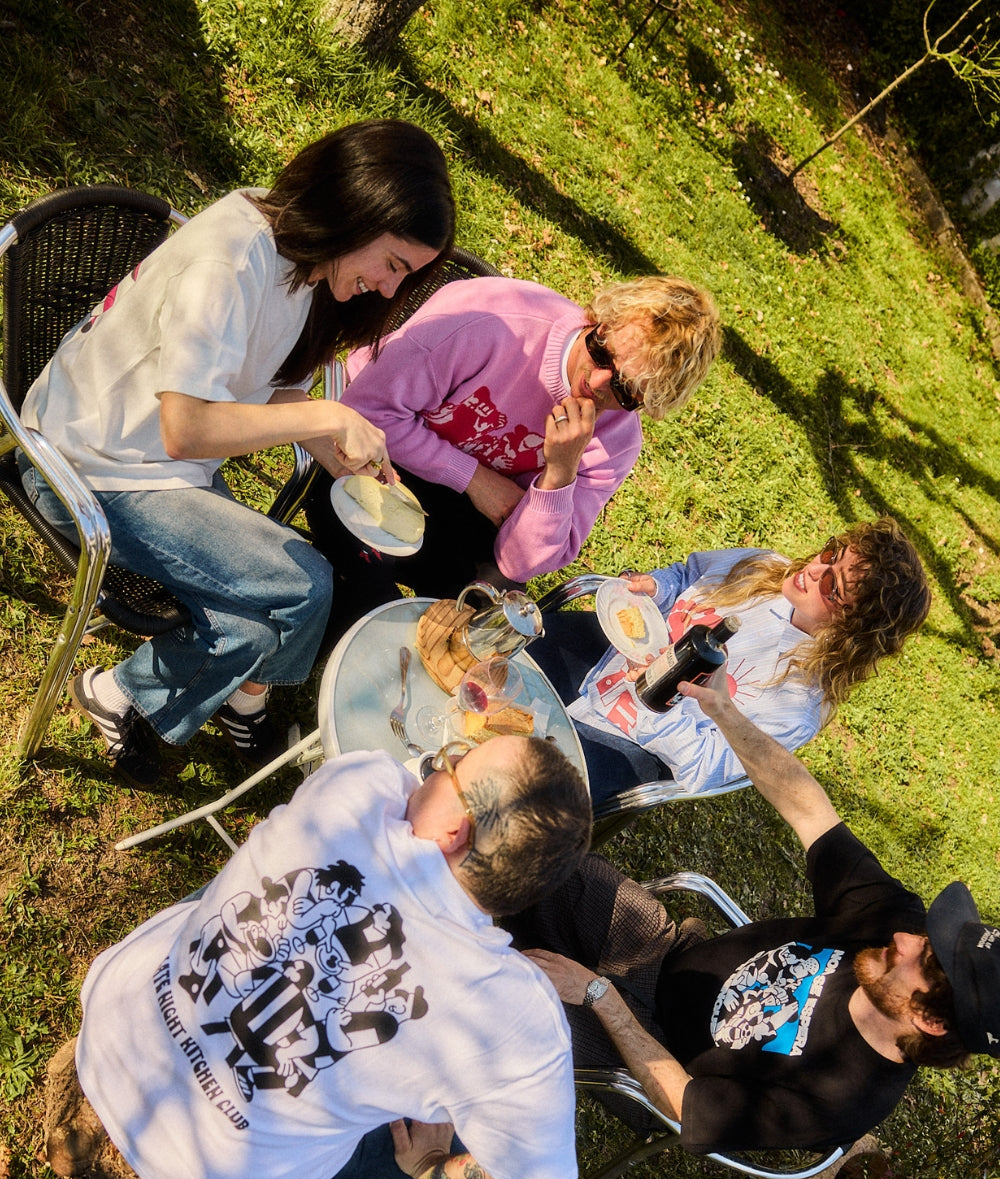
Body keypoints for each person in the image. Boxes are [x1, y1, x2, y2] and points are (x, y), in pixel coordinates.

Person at [18, 119, 456, 788]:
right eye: (393, 264)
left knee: (251, 626)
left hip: (158, 469)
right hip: (83, 464)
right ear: (354, 209)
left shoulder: (304, 263)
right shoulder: (234, 255)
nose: (391, 289)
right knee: (305, 584)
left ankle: (115, 693)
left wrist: (329, 445)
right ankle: (242, 702)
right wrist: (328, 413)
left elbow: (266, 392)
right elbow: (185, 429)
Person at [43, 736, 592, 1179]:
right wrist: (427, 1164)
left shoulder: (360, 786)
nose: (432, 770)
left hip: (120, 1013)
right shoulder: (516, 1021)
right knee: (402, 1122)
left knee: (244, 887)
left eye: (451, 764)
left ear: (454, 832)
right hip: (206, 1170)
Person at [507, 669, 1000, 1156]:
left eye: (925, 958)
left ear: (929, 1020)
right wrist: (723, 709)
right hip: (662, 956)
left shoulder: (842, 1102)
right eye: (929, 936)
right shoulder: (891, 923)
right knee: (540, 839)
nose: (907, 939)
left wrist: (600, 996)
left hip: (653, 1055)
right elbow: (809, 810)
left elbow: (681, 1102)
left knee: (508, 1004)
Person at [302, 273, 720, 625]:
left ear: (650, 405)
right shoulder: (492, 320)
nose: (595, 385)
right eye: (600, 352)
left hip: (463, 514)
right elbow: (366, 410)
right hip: (378, 452)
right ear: (600, 320)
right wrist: (474, 479)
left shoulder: (616, 442)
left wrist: (559, 475)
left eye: (626, 391)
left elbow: (520, 564)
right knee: (375, 602)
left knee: (487, 623)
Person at [527, 519, 931, 805]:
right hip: (603, 657)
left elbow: (704, 769)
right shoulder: (763, 568)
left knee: (520, 779)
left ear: (853, 627)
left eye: (831, 584)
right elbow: (689, 576)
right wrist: (659, 586)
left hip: (631, 740)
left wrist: (657, 693)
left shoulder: (795, 705)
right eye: (830, 553)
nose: (812, 569)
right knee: (486, 663)